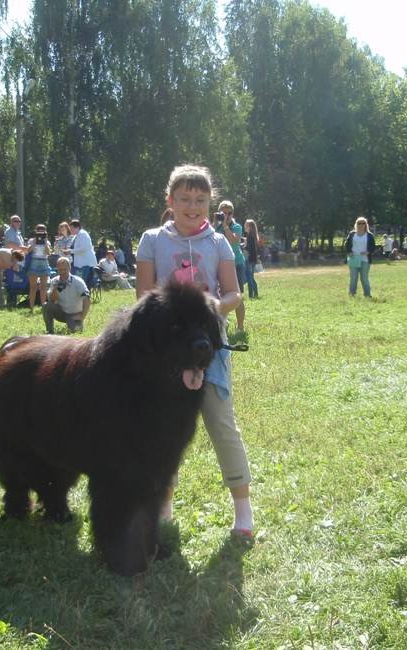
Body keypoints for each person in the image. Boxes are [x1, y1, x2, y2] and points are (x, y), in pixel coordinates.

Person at [135, 164, 254, 541]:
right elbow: (143, 296)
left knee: (221, 423)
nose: (192, 206)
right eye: (184, 199)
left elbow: (234, 294)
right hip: (165, 352)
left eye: (200, 200)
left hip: (209, 349)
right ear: (170, 201)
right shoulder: (152, 240)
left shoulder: (218, 242)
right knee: (162, 431)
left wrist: (210, 308)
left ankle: (243, 511)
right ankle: (164, 511)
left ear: (210, 203)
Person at [215, 201, 246, 331]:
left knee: (237, 296)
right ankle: (223, 323)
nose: (227, 215)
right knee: (219, 295)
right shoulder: (215, 227)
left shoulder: (237, 226)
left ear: (233, 213)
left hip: (236, 264)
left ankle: (240, 327)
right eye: (224, 213)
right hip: (219, 265)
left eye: (229, 213)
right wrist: (215, 222)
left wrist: (225, 226)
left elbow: (233, 240)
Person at [43, 257, 90, 334]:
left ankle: (75, 324)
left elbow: (87, 300)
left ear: (69, 268)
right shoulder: (54, 281)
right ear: (57, 269)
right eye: (60, 270)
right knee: (46, 306)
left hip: (75, 314)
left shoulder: (78, 282)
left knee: (76, 333)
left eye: (64, 269)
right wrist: (55, 290)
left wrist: (82, 317)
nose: (62, 272)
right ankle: (50, 331)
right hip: (61, 312)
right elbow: (51, 300)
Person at [344, 216, 376, 298]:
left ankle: (367, 295)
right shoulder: (352, 234)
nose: (361, 225)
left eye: (363, 223)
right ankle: (352, 294)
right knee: (353, 278)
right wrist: (349, 252)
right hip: (354, 258)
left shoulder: (369, 235)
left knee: (364, 278)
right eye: (359, 223)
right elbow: (346, 245)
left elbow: (373, 247)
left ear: (366, 225)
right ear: (356, 224)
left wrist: (368, 252)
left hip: (365, 259)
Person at [66, 219, 97, 285]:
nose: (70, 230)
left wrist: (70, 251)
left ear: (77, 227)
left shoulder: (82, 234)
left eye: (71, 229)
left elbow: (83, 248)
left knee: (81, 282)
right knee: (80, 281)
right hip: (82, 263)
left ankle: (82, 294)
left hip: (85, 263)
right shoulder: (78, 235)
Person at [243, 219, 260, 299]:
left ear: (249, 226)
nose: (244, 226)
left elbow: (248, 248)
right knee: (251, 277)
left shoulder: (250, 236)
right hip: (253, 259)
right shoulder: (252, 235)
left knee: (249, 278)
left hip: (249, 259)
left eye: (246, 224)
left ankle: (253, 294)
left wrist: (242, 246)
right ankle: (253, 294)